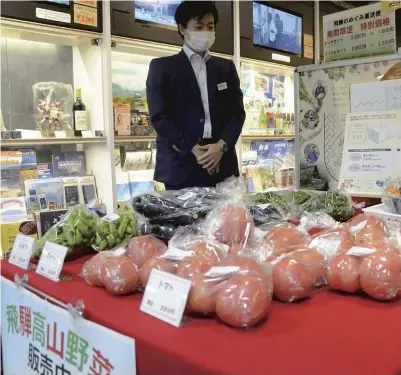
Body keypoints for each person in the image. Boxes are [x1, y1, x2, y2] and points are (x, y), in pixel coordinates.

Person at [146, 1, 245, 190]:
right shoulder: (162, 68)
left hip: (222, 166)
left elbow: (237, 114)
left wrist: (221, 146)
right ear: (182, 29)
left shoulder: (226, 68)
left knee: (228, 219)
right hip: (181, 167)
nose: (206, 32)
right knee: (185, 219)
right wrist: (192, 148)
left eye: (210, 26)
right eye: (198, 27)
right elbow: (159, 117)